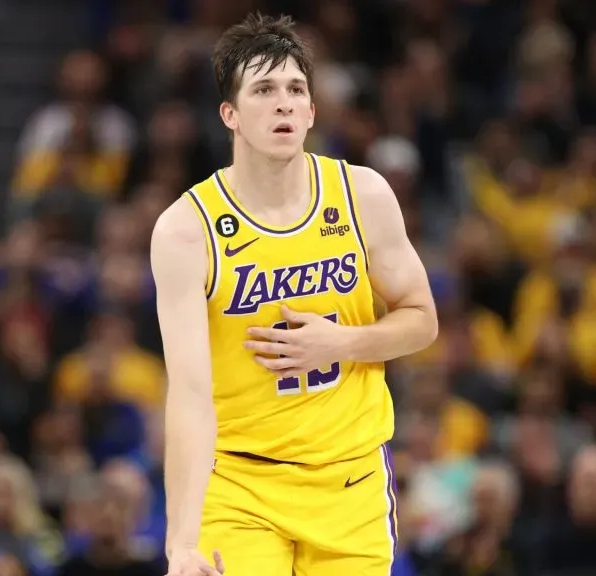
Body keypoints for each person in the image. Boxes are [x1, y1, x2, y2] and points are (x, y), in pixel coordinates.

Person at [150, 13, 437, 576]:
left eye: (295, 89)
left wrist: (344, 343)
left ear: (310, 111)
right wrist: (180, 542)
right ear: (230, 115)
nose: (283, 103)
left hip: (349, 479)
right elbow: (188, 397)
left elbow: (423, 320)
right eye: (263, 89)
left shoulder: (363, 195)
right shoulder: (186, 231)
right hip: (240, 485)